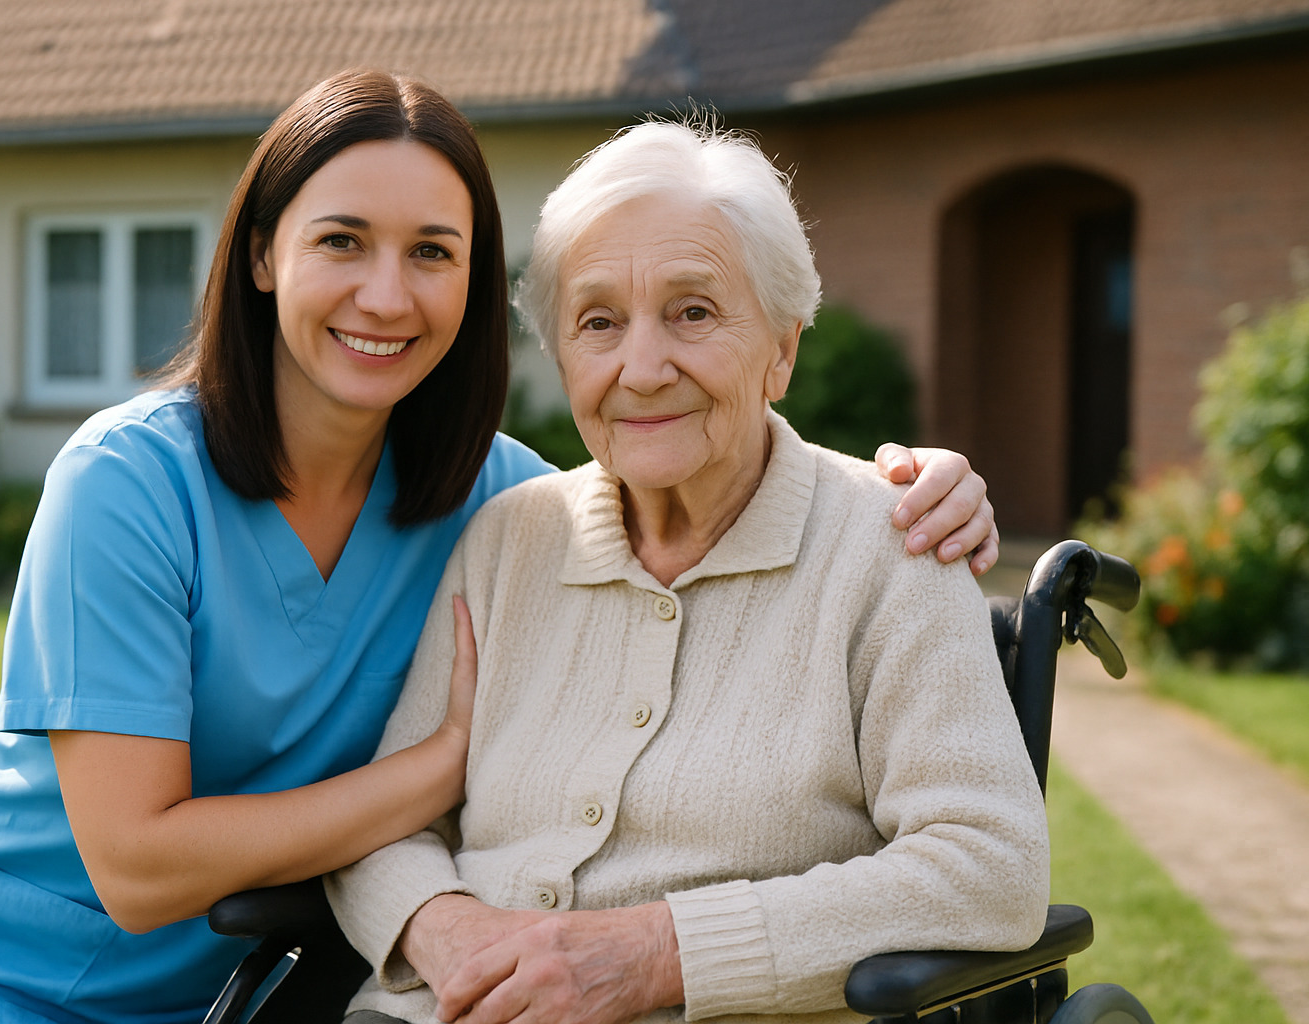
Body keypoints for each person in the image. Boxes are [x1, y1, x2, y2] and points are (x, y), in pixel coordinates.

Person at [0, 72, 1000, 1024]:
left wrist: (907, 485)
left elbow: (681, 454)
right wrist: (429, 791)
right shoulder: (129, 482)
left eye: (433, 251)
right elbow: (134, 867)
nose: (386, 295)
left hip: (236, 990)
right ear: (263, 254)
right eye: (343, 240)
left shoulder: (506, 507)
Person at [326, 118, 1049, 1024]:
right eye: (598, 322)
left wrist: (652, 955)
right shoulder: (508, 538)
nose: (641, 368)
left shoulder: (894, 544)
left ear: (782, 348)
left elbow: (990, 867)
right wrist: (451, 936)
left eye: (693, 313)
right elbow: (382, 825)